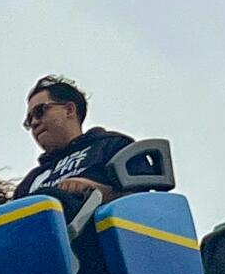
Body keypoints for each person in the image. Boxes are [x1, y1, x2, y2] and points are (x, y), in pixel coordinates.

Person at [14, 74, 136, 216]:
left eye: (40, 111)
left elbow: (143, 200)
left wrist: (95, 190)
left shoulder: (110, 146)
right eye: (29, 120)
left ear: (69, 110)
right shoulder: (30, 181)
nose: (34, 122)